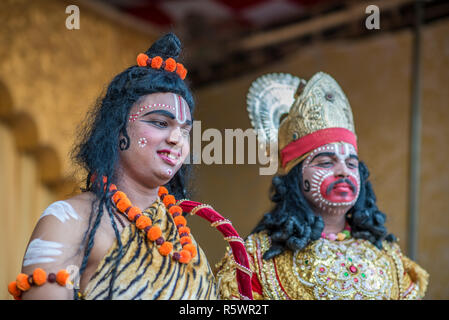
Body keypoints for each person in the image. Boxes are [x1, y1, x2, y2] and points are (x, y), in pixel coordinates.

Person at [8, 33, 252, 300]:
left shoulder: (183, 239)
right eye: (160, 123)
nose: (176, 139)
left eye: (185, 131)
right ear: (118, 129)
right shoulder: (69, 220)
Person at [215, 72, 429, 300]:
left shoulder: (390, 256)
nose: (343, 171)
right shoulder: (254, 260)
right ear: (296, 178)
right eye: (326, 162)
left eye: (351, 163)